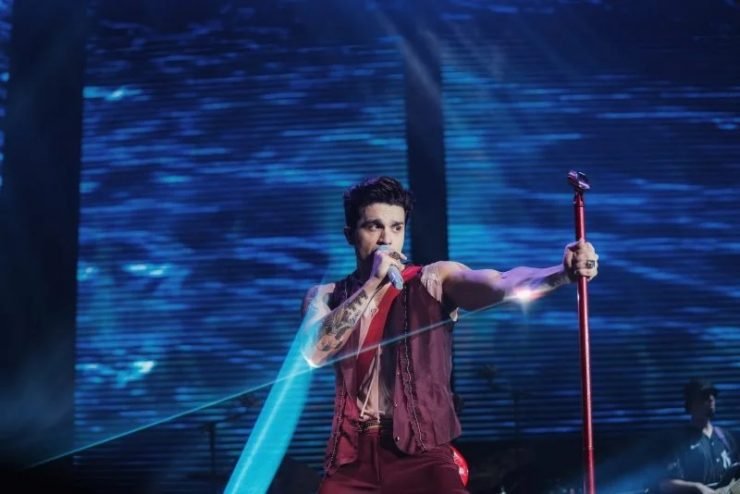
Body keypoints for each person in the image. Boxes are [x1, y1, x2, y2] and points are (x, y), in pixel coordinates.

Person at [299, 176, 599, 494]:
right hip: (352, 458)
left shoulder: (434, 280)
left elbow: (501, 282)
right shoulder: (325, 296)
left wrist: (560, 274)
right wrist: (373, 284)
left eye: (396, 228)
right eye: (374, 227)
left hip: (421, 453)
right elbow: (314, 352)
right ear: (350, 234)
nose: (386, 239)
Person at [660, 379, 739, 494]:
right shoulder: (680, 441)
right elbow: (664, 484)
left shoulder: (725, 437)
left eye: (713, 395)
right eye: (705, 396)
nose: (711, 399)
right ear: (691, 403)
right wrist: (697, 488)